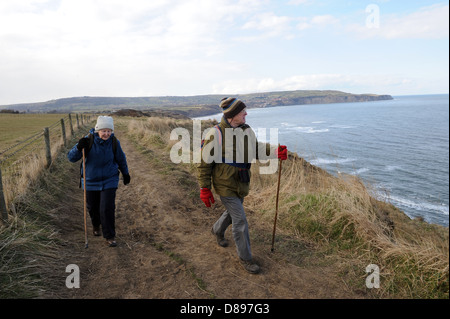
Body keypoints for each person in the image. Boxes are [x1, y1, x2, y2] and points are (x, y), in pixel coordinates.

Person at [197, 97, 288, 274]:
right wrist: (204, 188)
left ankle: (217, 230)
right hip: (225, 184)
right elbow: (204, 163)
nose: (246, 113)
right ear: (232, 115)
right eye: (242, 111)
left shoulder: (246, 130)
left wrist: (275, 151)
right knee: (240, 219)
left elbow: (256, 148)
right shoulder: (214, 134)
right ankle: (245, 258)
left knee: (233, 213)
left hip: (242, 181)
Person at [68, 116, 130, 247]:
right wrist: (79, 148)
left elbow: (121, 158)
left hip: (110, 179)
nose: (106, 134)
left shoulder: (114, 142)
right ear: (98, 130)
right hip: (90, 180)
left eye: (109, 131)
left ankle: (110, 236)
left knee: (107, 207)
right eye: (104, 131)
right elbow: (71, 158)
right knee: (93, 207)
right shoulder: (88, 140)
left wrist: (125, 173)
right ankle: (96, 225)